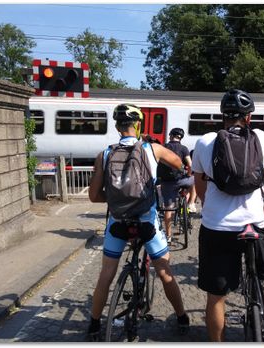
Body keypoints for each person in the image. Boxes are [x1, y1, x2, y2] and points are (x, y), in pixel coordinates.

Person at [87, 104, 189, 341]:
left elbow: (94, 196)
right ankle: (182, 317)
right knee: (164, 271)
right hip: (147, 222)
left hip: (117, 222)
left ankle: (93, 324)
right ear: (139, 125)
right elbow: (178, 164)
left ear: (116, 126)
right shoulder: (152, 148)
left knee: (106, 274)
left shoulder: (104, 154)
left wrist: (114, 200)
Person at [192, 89, 264, 342]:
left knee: (216, 295)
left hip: (216, 227)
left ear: (222, 116)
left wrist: (208, 204)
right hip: (255, 223)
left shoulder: (204, 143)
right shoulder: (263, 138)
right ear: (248, 117)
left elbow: (200, 186)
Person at [157, 127, 197, 243]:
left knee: (168, 208)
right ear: (181, 138)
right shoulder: (184, 149)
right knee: (194, 180)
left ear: (170, 136)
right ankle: (191, 203)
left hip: (166, 182)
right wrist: (189, 174)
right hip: (181, 180)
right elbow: (190, 165)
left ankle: (168, 236)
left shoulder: (163, 147)